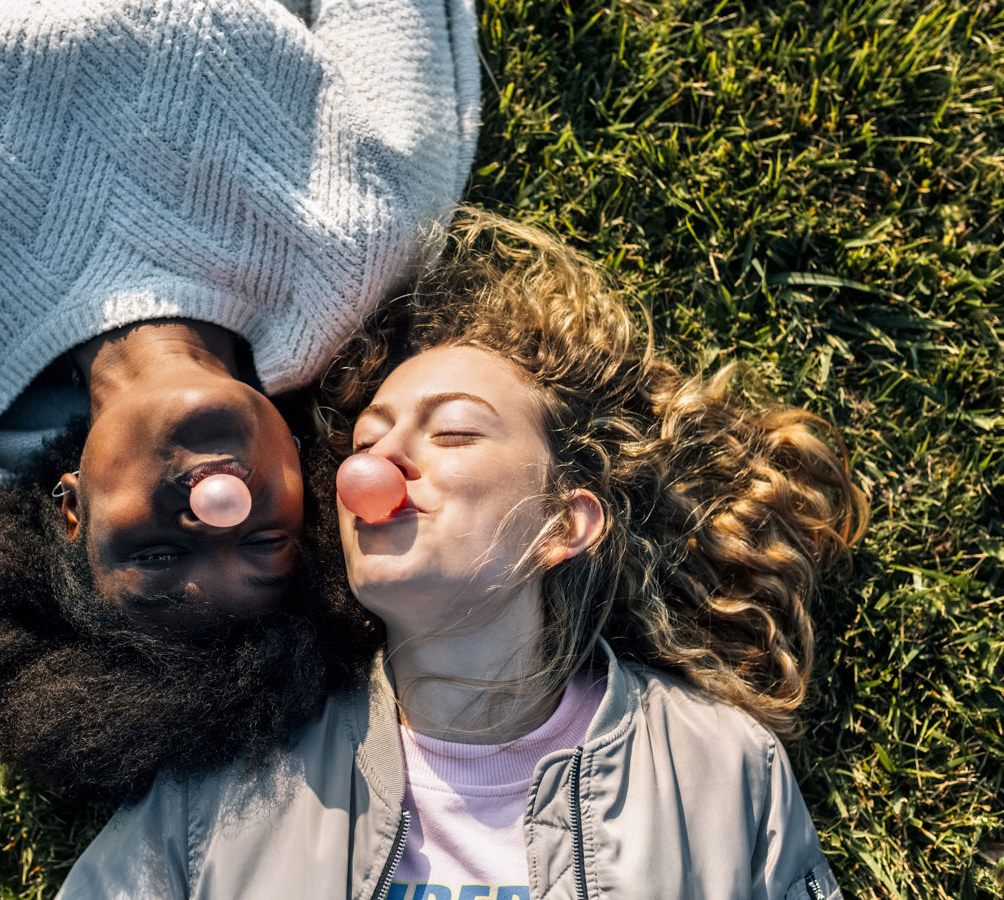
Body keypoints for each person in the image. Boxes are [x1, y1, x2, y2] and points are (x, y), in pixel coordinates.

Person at [57, 208, 866, 898]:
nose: (381, 463)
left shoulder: (720, 769)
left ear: (564, 524)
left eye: (452, 432)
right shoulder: (237, 771)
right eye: (367, 441)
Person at [0, 0, 480, 613]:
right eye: (266, 542)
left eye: (156, 558)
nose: (220, 510)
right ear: (303, 475)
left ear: (73, 510)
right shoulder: (362, 250)